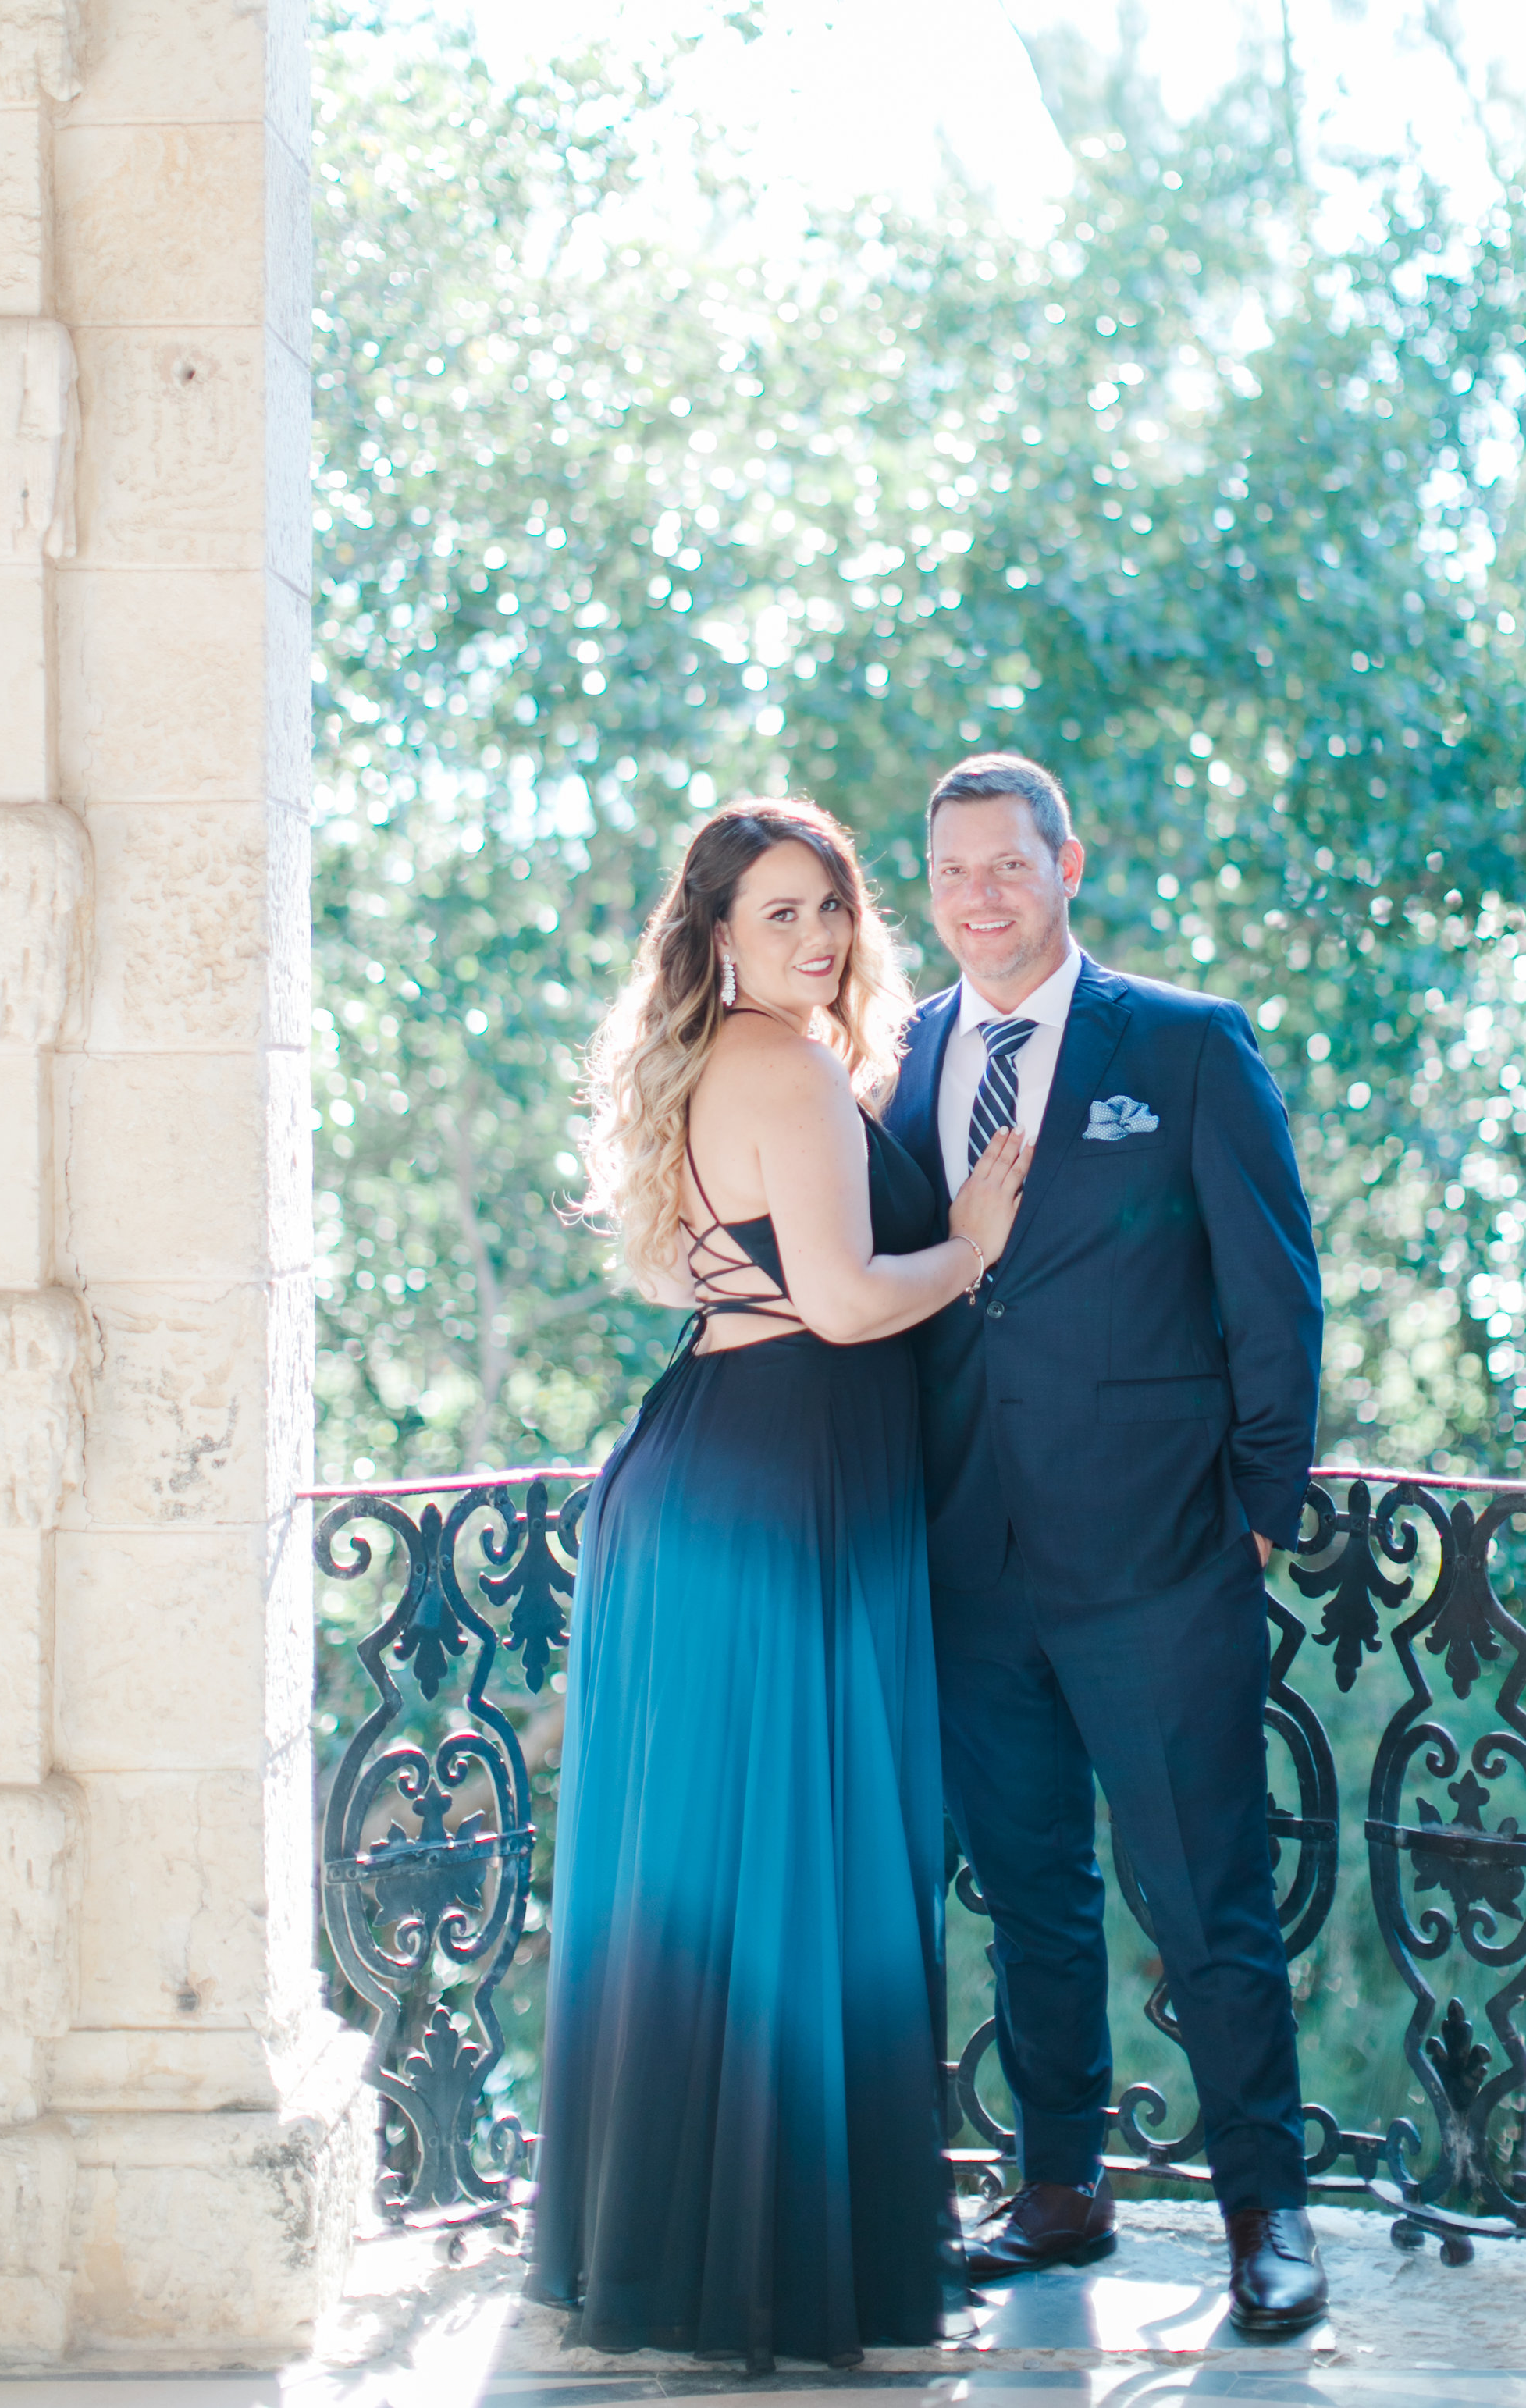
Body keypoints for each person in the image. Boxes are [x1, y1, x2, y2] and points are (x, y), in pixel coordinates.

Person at [528, 796, 1030, 2367]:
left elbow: (718, 1268)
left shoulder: (717, 1066)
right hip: (775, 1491)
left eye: (829, 906)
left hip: (710, 1474)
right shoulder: (786, 1065)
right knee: (788, 1867)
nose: (816, 937)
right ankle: (773, 2271)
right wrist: (968, 1241)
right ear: (719, 939)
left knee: (711, 1881)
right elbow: (840, 1299)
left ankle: (680, 2263)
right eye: (778, 914)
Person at [884, 752, 1328, 2336]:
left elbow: (1273, 1294)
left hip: (1158, 1560)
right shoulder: (896, 1055)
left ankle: (1262, 2215)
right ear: (925, 889)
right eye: (952, 872)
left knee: (1205, 1894)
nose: (980, 896)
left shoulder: (1187, 1047)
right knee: (1029, 1895)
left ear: (1068, 865)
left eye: (1009, 865)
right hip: (965, 1562)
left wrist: (1259, 1514)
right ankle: (1060, 2189)